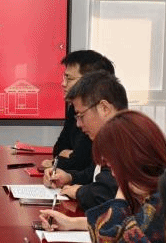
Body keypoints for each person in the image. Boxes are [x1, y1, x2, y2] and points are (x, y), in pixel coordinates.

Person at [38, 110, 166, 243]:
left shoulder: (163, 199)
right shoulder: (155, 186)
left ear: (133, 156)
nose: (113, 174)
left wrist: (121, 192)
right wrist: (71, 223)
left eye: (113, 165)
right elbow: (128, 222)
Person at [42, 70, 126, 209]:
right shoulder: (109, 138)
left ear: (104, 108)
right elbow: (93, 174)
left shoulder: (125, 140)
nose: (78, 124)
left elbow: (105, 193)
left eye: (81, 116)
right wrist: (69, 177)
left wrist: (79, 192)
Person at [41, 49, 114, 175]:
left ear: (90, 81)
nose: (63, 84)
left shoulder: (100, 115)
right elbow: (58, 149)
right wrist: (67, 156)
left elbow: (79, 163)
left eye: (69, 78)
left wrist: (63, 158)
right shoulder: (74, 108)